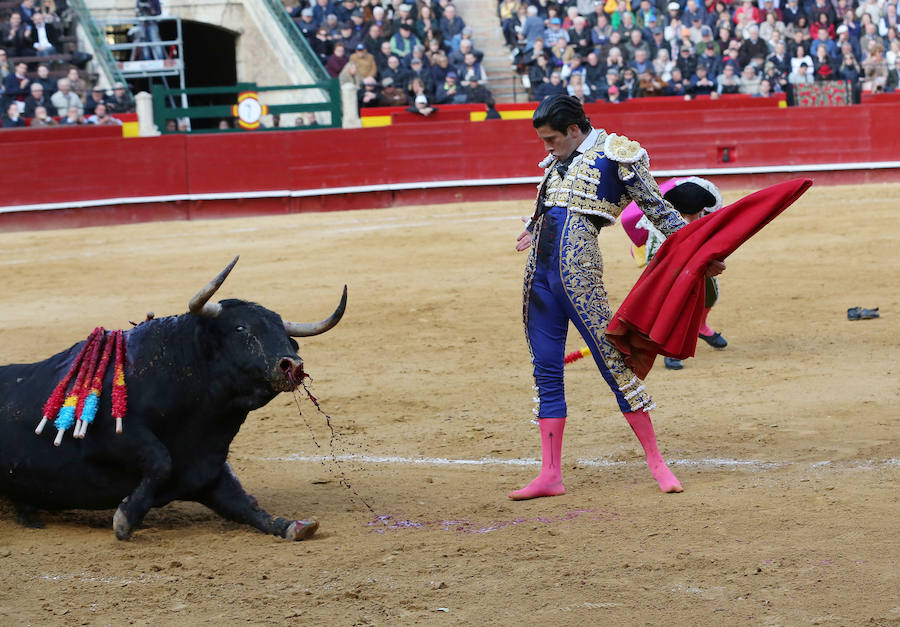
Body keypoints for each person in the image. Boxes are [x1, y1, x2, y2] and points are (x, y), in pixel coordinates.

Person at [509, 95, 725, 500]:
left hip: (578, 273)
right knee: (545, 369)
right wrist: (533, 226)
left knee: (613, 362)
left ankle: (657, 463)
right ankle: (550, 475)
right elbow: (547, 207)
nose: (546, 147)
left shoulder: (617, 154)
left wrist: (700, 253)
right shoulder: (557, 161)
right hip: (538, 275)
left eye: (552, 138)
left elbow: (659, 210)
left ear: (574, 129)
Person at [624, 177, 727, 369]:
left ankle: (701, 328)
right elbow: (655, 261)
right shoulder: (659, 224)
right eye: (683, 215)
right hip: (669, 265)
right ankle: (667, 347)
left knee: (710, 295)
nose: (686, 221)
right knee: (671, 303)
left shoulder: (711, 210)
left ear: (702, 210)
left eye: (693, 215)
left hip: (699, 260)